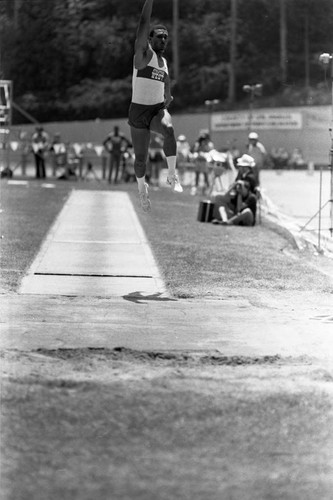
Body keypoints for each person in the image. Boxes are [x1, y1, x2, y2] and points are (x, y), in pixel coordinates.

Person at [128, 0, 183, 212]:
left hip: (157, 109)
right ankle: (142, 188)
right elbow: (143, 22)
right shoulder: (143, 55)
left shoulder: (164, 62)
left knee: (169, 129)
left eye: (165, 37)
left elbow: (166, 78)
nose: (163, 39)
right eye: (159, 36)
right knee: (140, 160)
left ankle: (171, 174)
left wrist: (168, 94)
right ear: (149, 39)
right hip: (138, 111)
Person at [191, 130, 214, 195]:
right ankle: (195, 188)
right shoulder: (198, 143)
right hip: (198, 160)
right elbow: (195, 150)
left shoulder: (209, 143)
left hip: (204, 161)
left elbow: (210, 151)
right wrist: (199, 144)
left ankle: (207, 188)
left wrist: (205, 147)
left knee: (205, 175)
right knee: (197, 175)